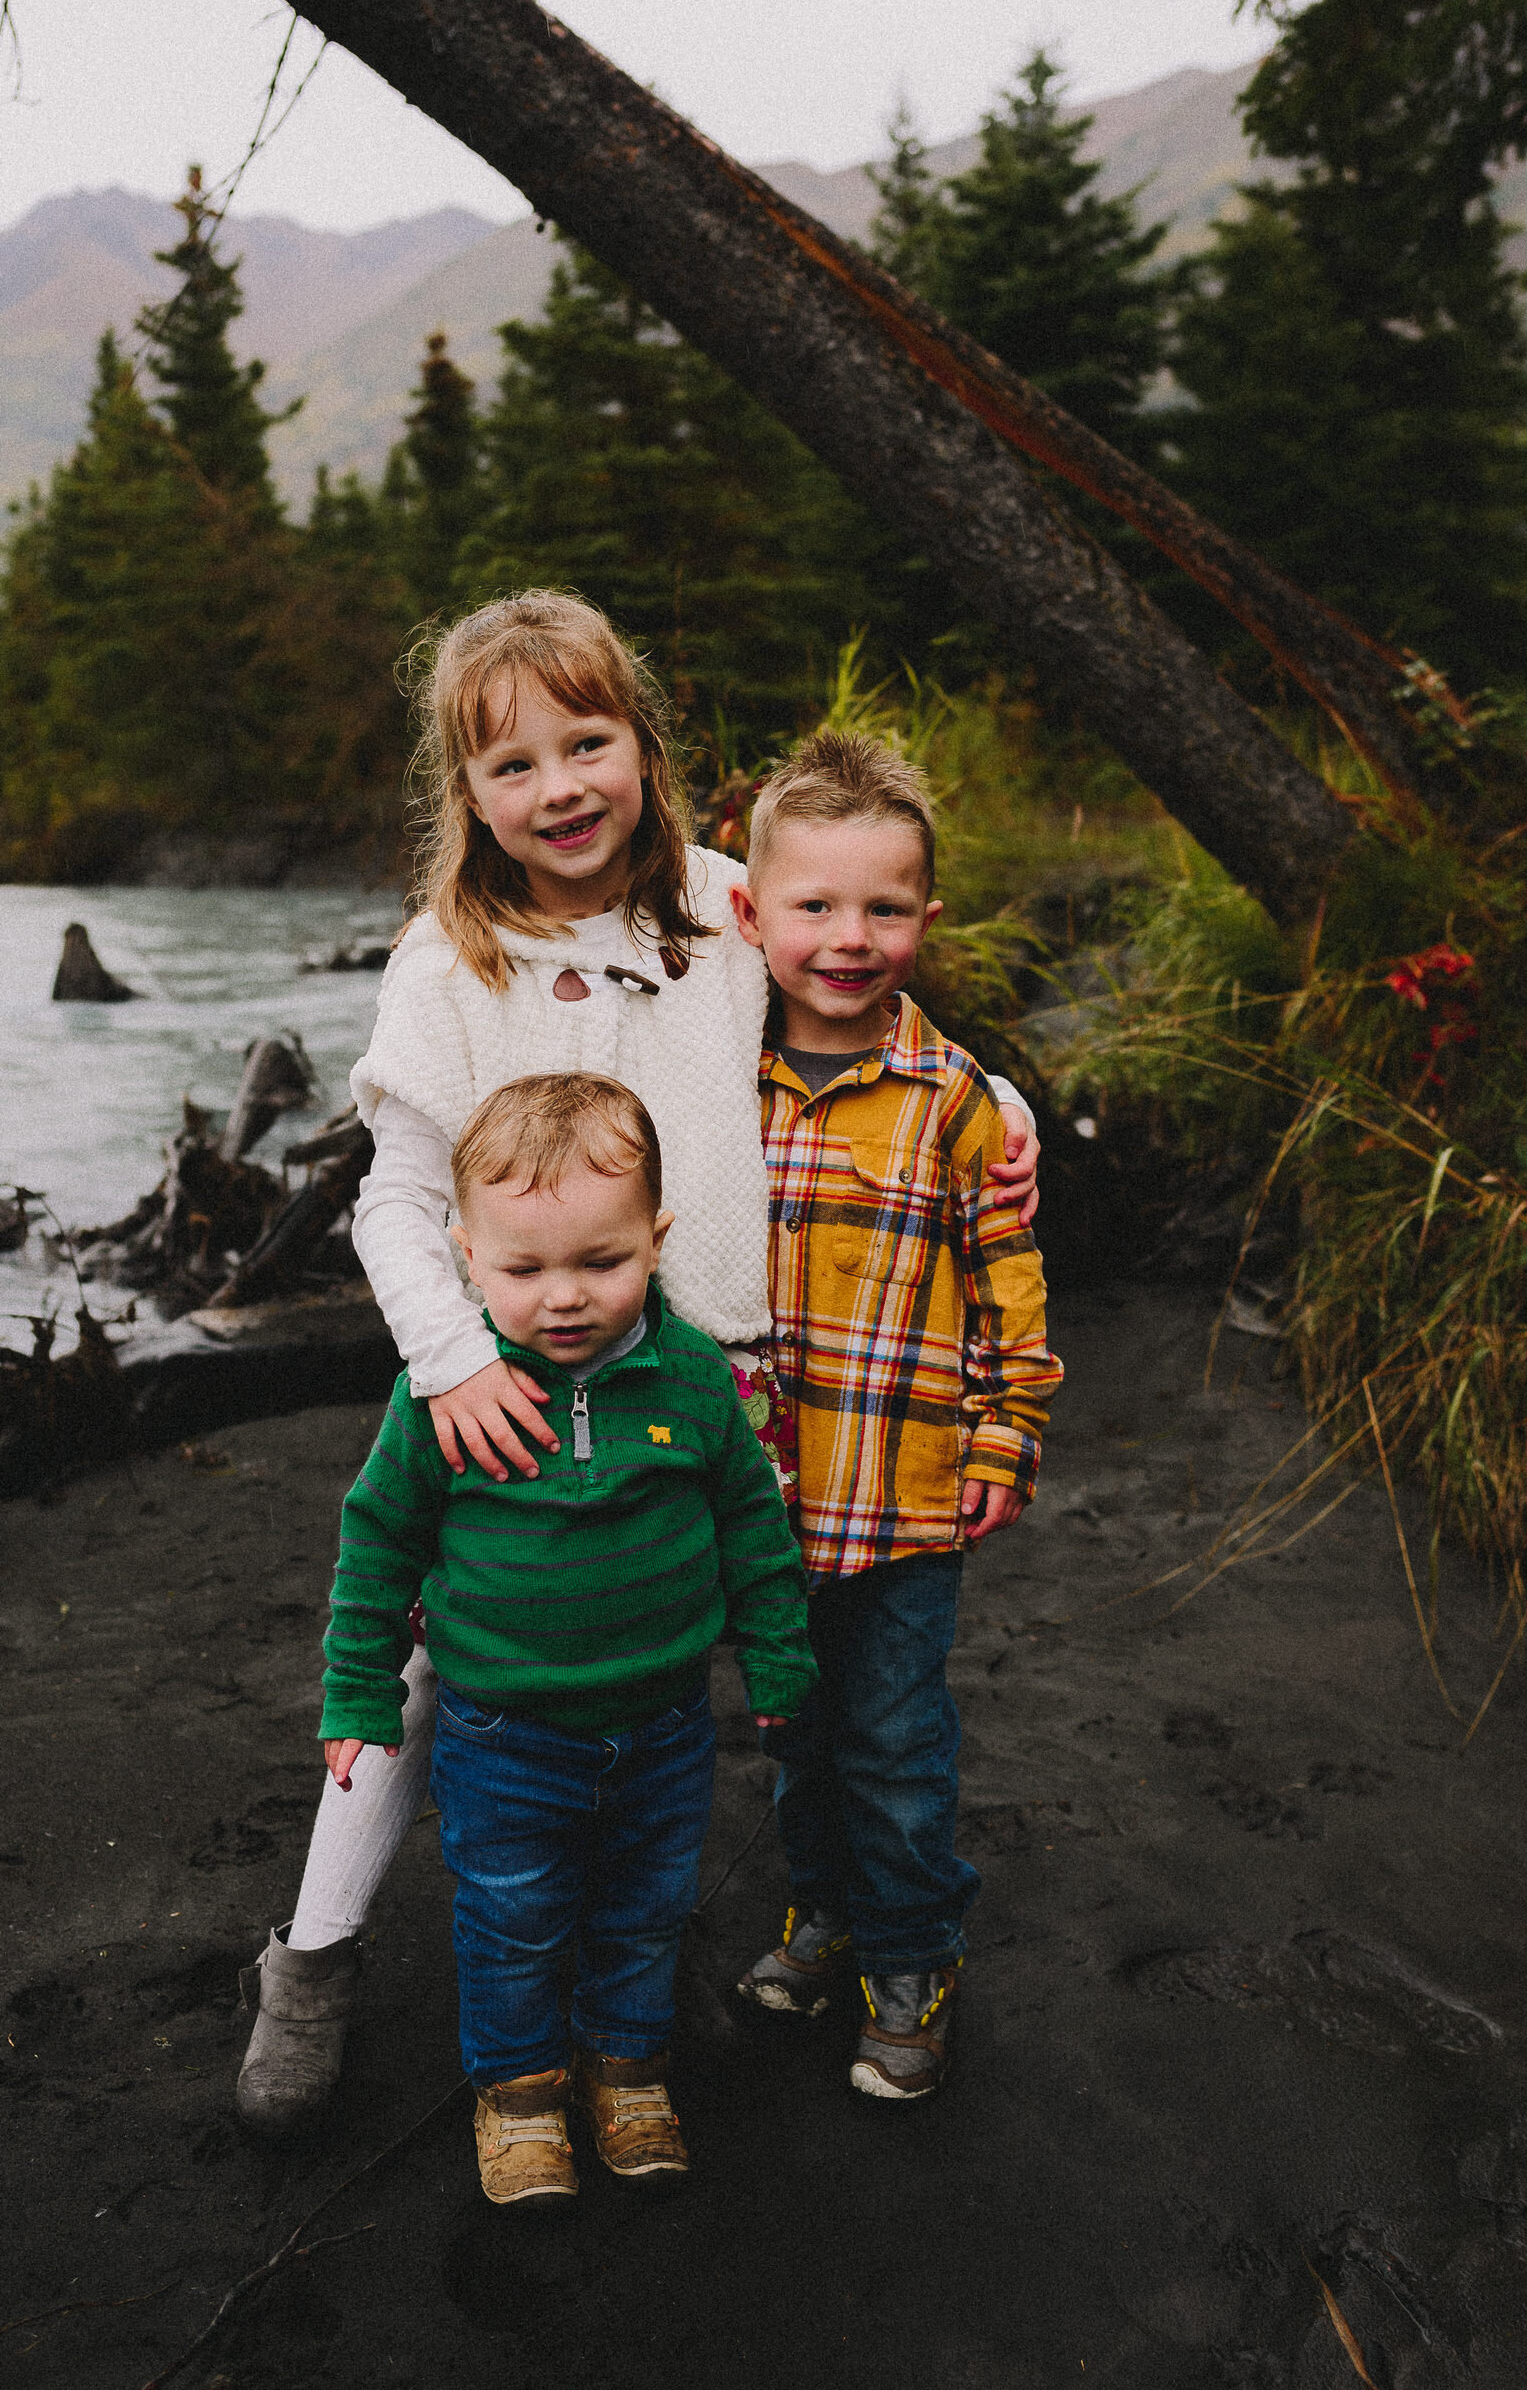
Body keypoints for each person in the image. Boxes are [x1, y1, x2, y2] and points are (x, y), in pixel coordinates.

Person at [235, 589, 1039, 2131]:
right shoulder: (447, 959)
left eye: (587, 743)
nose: (560, 789)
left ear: (641, 746)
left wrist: (991, 1091)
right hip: (506, 1372)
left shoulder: (721, 906)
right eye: (513, 765)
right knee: (428, 1665)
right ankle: (315, 1961)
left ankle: (641, 1956)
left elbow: (848, 962)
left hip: (709, 1376)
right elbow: (396, 1197)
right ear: (465, 796)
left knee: (666, 1683)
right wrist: (454, 1360)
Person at [317, 1072, 816, 2206]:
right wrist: (355, 1700)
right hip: (504, 1735)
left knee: (644, 1912)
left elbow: (751, 1528)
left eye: (601, 1261)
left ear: (656, 1237)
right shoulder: (445, 1397)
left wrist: (778, 1663)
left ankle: (628, 2074)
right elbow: (376, 1546)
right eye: (522, 1268)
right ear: (463, 1256)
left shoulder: (691, 1381)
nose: (564, 1299)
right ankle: (520, 2097)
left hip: (666, 1727)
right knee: (511, 1921)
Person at [728, 729, 1063, 2101]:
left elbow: (1010, 1296)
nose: (846, 937)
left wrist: (1005, 1436)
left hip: (906, 1494)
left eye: (882, 907)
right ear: (750, 916)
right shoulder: (709, 1088)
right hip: (754, 1503)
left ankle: (915, 1952)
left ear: (927, 917)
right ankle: (823, 1912)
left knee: (896, 1743)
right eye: (812, 905)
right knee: (793, 1735)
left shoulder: (960, 1105)